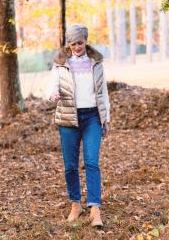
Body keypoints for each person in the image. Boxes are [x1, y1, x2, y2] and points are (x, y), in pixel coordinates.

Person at [47, 24, 110, 227]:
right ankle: (76, 204)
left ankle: (95, 208)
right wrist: (53, 94)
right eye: (73, 43)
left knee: (92, 161)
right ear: (69, 44)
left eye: (80, 43)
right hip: (68, 118)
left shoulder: (96, 63)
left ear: (86, 41)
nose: (77, 47)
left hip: (92, 117)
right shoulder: (60, 64)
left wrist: (105, 118)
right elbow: (51, 87)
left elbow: (103, 93)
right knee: (70, 165)